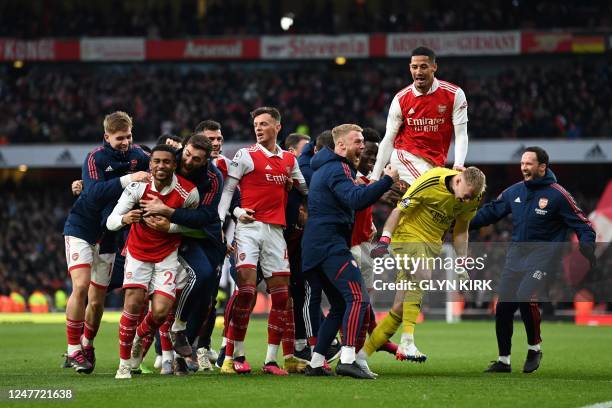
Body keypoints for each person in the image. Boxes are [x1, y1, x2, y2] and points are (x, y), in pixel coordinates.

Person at [470, 146, 595, 374]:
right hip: (516, 256)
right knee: (504, 308)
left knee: (525, 295)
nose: (523, 167)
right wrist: (460, 224)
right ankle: (503, 361)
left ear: (542, 167)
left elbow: (583, 224)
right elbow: (490, 213)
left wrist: (587, 246)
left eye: (528, 163)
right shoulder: (514, 191)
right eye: (522, 163)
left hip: (544, 257)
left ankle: (534, 348)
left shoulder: (559, 194)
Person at [364, 166, 486, 370]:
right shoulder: (431, 180)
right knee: (422, 274)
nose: (465, 201)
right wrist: (385, 238)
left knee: (400, 307)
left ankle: (360, 356)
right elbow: (398, 210)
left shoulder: (473, 196)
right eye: (465, 196)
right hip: (407, 235)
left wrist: (462, 262)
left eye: (469, 198)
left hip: (431, 245)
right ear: (457, 181)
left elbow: (461, 230)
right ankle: (407, 341)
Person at [217, 107, 308, 375]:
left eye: (264, 124)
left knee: (281, 297)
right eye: (256, 124)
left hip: (276, 232)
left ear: (277, 127)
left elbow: (305, 188)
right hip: (248, 229)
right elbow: (228, 192)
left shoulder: (290, 160)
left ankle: (270, 360)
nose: (258, 128)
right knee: (246, 292)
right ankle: (237, 355)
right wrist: (223, 225)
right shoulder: (246, 155)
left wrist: (302, 206)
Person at [302, 124, 398, 379]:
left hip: (316, 246)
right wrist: (388, 179)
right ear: (341, 145)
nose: (362, 146)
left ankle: (316, 362)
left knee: (339, 306)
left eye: (362, 141)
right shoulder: (338, 168)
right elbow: (356, 199)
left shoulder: (326, 167)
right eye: (358, 141)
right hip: (329, 245)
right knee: (358, 298)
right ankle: (347, 359)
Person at [62, 111, 149, 373]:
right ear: (106, 137)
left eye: (129, 137)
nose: (125, 142)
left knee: (97, 299)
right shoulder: (95, 158)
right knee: (81, 286)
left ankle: (87, 345)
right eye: (119, 138)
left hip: (111, 235)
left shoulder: (139, 157)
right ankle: (73, 350)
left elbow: (160, 168)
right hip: (82, 228)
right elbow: (94, 192)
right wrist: (128, 179)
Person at [106, 144, 199, 379]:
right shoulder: (137, 188)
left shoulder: (188, 192)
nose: (160, 166)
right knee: (133, 304)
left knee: (159, 313)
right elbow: (111, 221)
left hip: (167, 257)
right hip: (138, 254)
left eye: (166, 162)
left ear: (174, 165)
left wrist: (171, 227)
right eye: (156, 161)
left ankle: (139, 336)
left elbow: (194, 225)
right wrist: (125, 218)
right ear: (151, 163)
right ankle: (124, 364)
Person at [139, 133, 224, 375]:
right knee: (160, 293)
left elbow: (205, 217)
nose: (188, 161)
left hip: (199, 234)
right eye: (187, 154)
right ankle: (154, 352)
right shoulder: (168, 159)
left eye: (196, 159)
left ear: (206, 160)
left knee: (206, 296)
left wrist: (168, 212)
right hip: (162, 236)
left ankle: (182, 350)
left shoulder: (212, 179)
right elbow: (139, 159)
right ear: (183, 148)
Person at [370, 46, 469, 187]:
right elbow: (389, 138)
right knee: (435, 191)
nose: (418, 72)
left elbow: (461, 134)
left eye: (423, 67)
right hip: (405, 157)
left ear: (434, 67)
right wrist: (374, 176)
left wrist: (459, 164)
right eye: (414, 67)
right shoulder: (401, 99)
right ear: (410, 68)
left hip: (434, 163)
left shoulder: (454, 94)